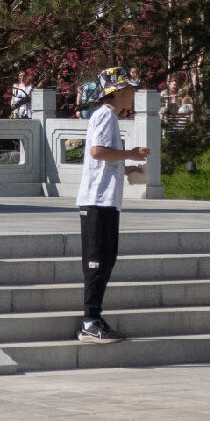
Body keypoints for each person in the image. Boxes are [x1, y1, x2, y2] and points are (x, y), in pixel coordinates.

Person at [75, 73, 146, 345]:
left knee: (105, 260)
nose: (132, 94)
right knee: (97, 262)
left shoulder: (108, 117)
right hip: (97, 200)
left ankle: (94, 318)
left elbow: (102, 157)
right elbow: (97, 151)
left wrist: (127, 167)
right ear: (116, 91)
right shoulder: (105, 115)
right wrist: (130, 154)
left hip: (105, 199)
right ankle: (90, 321)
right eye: (129, 89)